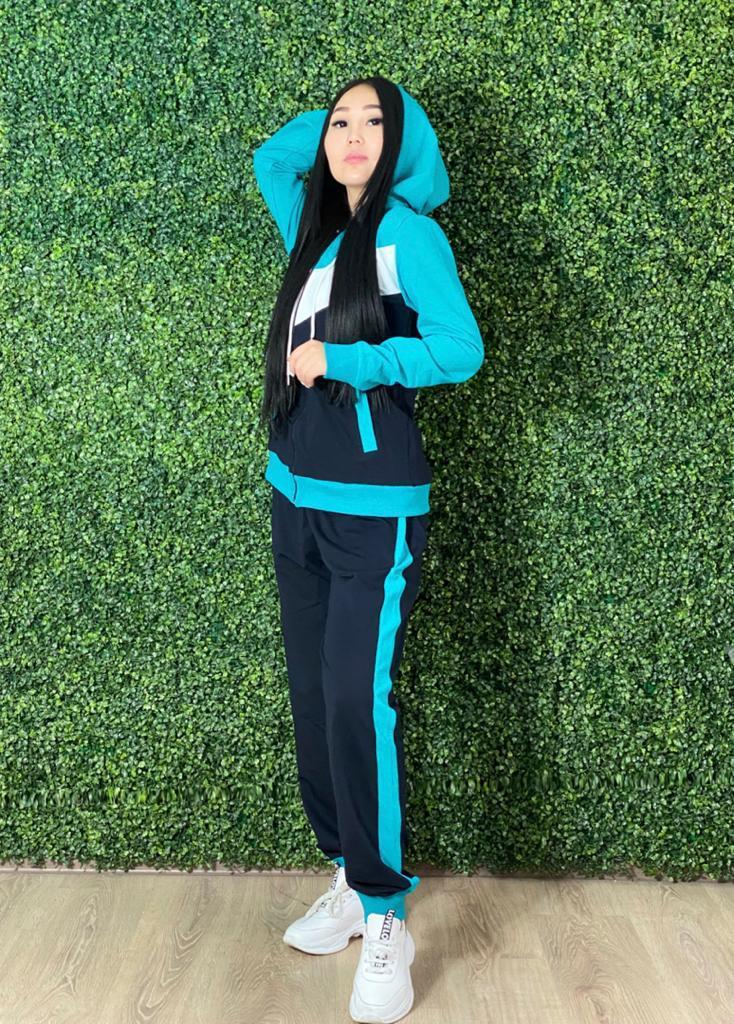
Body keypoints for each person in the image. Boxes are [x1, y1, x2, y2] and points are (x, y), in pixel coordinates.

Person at [252, 75, 485, 1024]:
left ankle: (387, 915)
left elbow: (459, 349)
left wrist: (348, 359)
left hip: (374, 512)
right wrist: (333, 123)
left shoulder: (409, 238)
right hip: (294, 497)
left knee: (356, 700)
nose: (351, 135)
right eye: (341, 122)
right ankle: (348, 879)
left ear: (404, 142)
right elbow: (273, 158)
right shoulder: (310, 230)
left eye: (374, 122)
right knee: (314, 699)